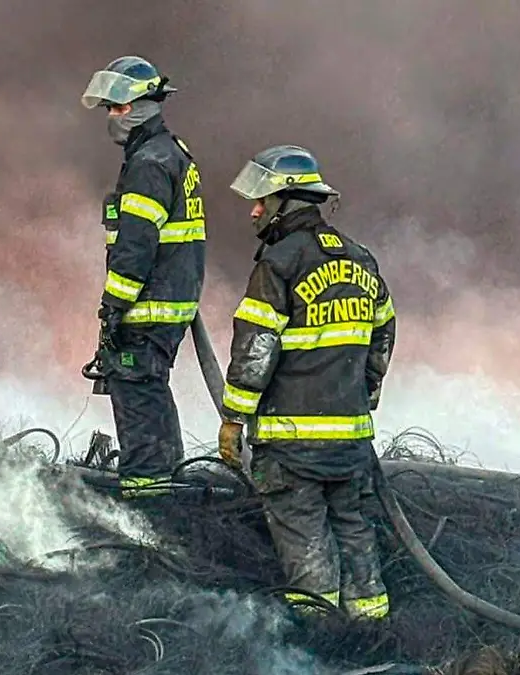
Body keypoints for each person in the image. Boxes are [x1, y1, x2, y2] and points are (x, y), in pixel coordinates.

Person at [215, 144, 396, 620]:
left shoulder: (279, 263)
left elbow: (255, 349)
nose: (255, 210)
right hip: (350, 442)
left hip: (292, 446)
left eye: (262, 201)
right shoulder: (361, 260)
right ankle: (371, 633)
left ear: (288, 201)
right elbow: (382, 338)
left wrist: (233, 419)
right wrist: (364, 394)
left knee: (306, 544)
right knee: (355, 535)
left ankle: (321, 642)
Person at [79, 56, 208, 498]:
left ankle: (151, 500)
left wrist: (112, 309)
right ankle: (167, 483)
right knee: (150, 391)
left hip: (148, 306)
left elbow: (135, 248)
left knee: (136, 392)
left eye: (115, 108)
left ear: (138, 107)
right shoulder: (169, 153)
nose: (111, 118)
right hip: (169, 303)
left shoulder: (150, 163)